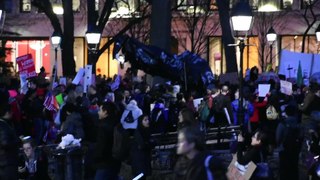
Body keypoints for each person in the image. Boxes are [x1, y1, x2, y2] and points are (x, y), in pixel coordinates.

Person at [94, 102, 121, 180]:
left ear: (105, 112)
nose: (98, 112)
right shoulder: (117, 124)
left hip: (104, 163)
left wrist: (95, 158)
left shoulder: (103, 127)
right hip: (116, 161)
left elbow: (101, 146)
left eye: (100, 110)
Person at [276, 105, 301, 180]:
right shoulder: (298, 124)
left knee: (284, 169)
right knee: (294, 169)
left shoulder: (282, 124)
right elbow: (301, 136)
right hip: (295, 150)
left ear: (286, 113)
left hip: (284, 149)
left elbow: (278, 138)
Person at [0, 87, 19, 180]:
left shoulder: (4, 124)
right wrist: (17, 141)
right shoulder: (3, 126)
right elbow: (5, 143)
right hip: (6, 162)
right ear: (7, 113)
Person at [130, 114, 152, 180]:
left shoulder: (147, 131)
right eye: (145, 120)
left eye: (148, 120)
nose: (147, 121)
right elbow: (142, 145)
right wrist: (150, 144)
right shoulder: (138, 132)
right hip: (139, 162)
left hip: (143, 161)